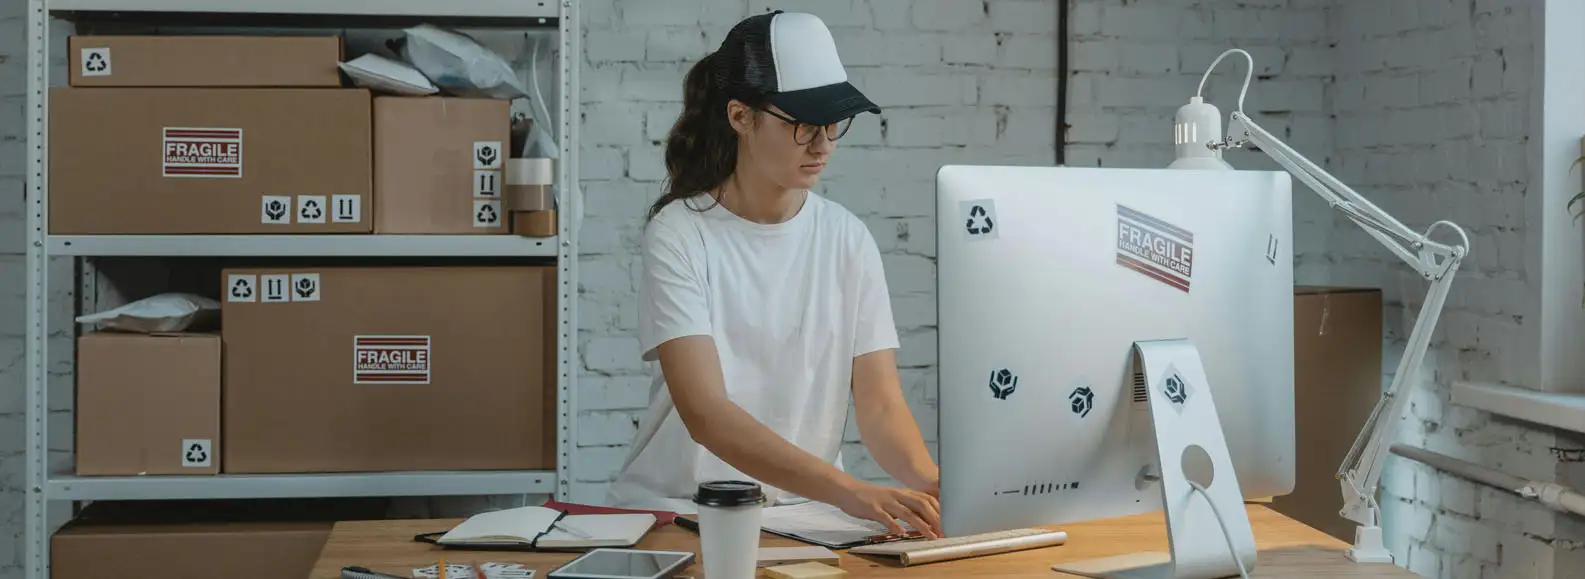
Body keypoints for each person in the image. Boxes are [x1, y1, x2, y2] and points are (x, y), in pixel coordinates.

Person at [605, 11, 944, 538]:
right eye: (804, 124)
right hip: (681, 511)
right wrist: (849, 490)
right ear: (741, 116)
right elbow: (707, 414)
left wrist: (935, 484)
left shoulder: (847, 237)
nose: (823, 144)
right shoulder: (680, 233)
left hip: (806, 516)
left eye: (834, 124)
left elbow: (881, 403)